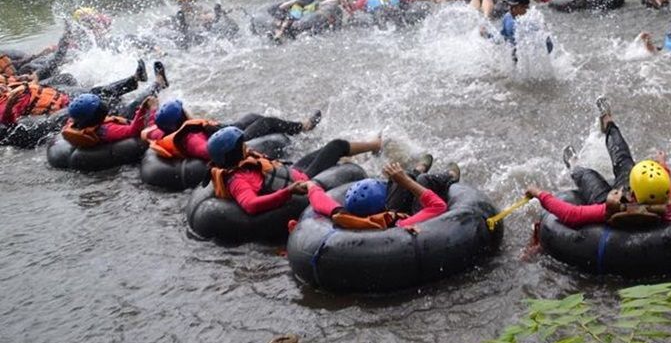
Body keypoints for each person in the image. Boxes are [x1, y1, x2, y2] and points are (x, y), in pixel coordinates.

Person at [524, 98, 671, 228]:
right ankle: (607, 121)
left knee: (589, 175)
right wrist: (662, 163)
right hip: (638, 195)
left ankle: (574, 164)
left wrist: (539, 193)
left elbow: (570, 214)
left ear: (633, 193)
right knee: (623, 159)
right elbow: (667, 180)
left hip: (611, 201)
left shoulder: (615, 207)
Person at [205, 126, 383, 216]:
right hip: (303, 179)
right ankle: (376, 145)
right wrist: (288, 191)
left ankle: (359, 153)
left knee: (326, 152)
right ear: (234, 151)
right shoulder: (238, 180)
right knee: (336, 146)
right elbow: (251, 205)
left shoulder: (237, 162)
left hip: (292, 171)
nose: (245, 145)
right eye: (241, 144)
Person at [306, 156, 460, 230]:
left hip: (392, 214)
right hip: (410, 216)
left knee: (397, 179)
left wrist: (311, 186)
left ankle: (416, 170)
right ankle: (451, 176)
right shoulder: (402, 224)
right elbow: (438, 207)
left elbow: (319, 200)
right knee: (423, 181)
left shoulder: (345, 215)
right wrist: (407, 182)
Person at [142, 99, 323, 159]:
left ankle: (294, 128)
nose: (188, 110)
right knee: (266, 123)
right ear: (181, 118)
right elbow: (210, 152)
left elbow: (147, 131)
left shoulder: (170, 129)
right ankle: (303, 127)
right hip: (229, 141)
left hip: (220, 130)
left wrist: (150, 110)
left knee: (252, 117)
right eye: (184, 110)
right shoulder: (191, 138)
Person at [60, 91, 158, 149]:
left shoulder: (77, 123)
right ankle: (157, 86)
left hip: (111, 122)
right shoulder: (108, 130)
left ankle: (156, 85)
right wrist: (147, 109)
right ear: (99, 113)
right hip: (125, 129)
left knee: (127, 106)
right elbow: (134, 130)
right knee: (136, 105)